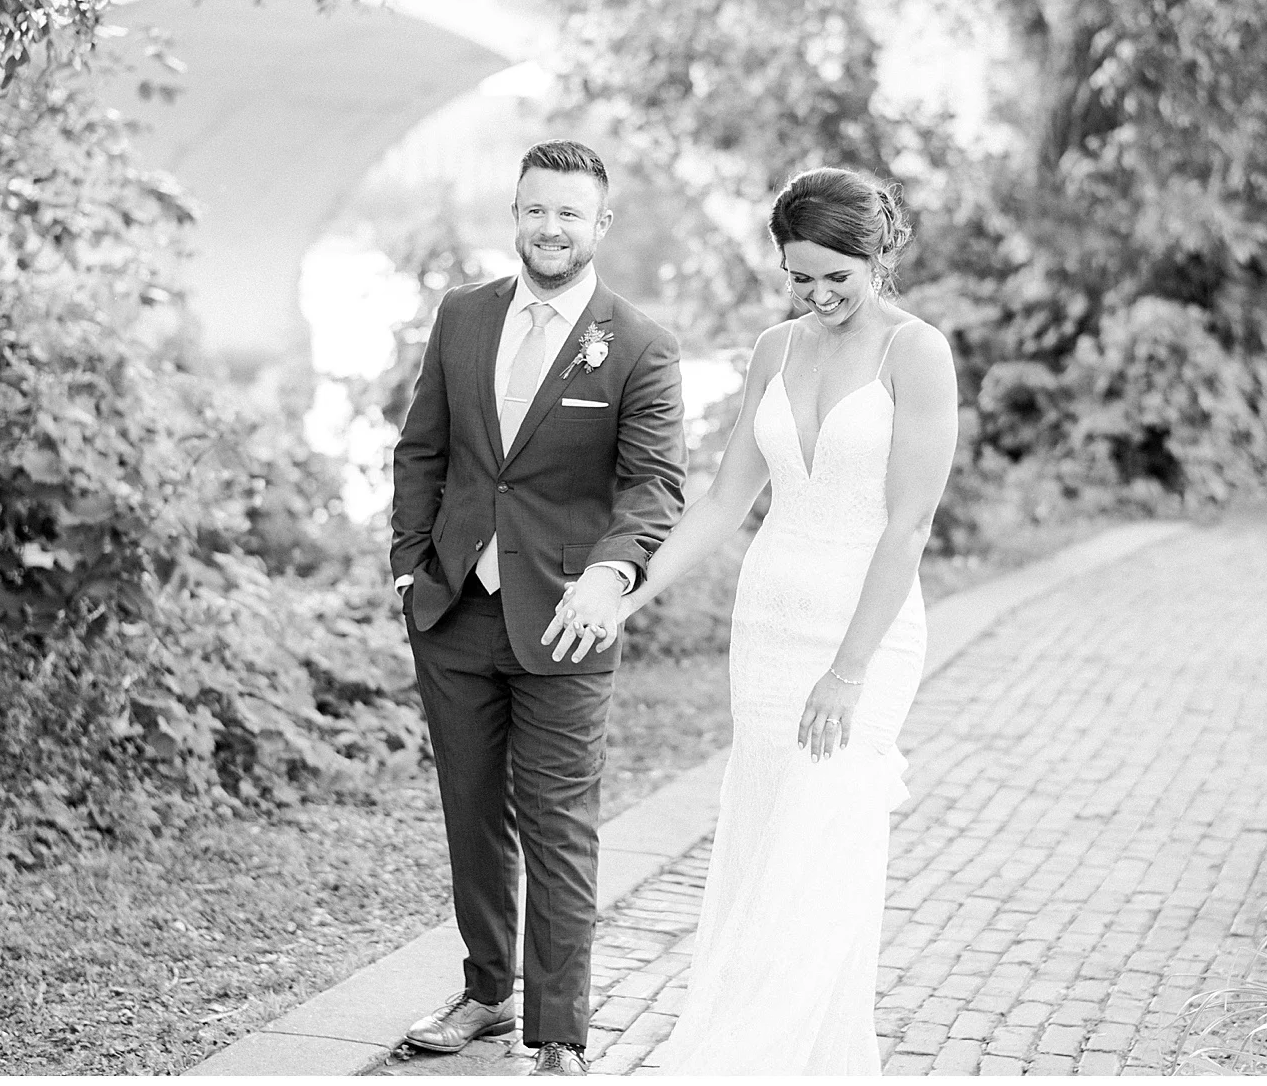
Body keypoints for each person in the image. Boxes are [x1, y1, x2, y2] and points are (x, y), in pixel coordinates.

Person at [544, 166, 959, 1074]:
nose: (818, 295)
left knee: (824, 848)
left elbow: (909, 525)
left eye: (836, 276)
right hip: (768, 628)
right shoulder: (774, 348)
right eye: (799, 276)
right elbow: (724, 501)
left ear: (879, 254)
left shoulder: (916, 352)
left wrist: (847, 670)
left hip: (864, 632)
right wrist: (626, 593)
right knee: (766, 836)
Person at [390, 140, 688, 1077]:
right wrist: (408, 568)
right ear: (515, 214)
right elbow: (422, 448)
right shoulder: (463, 315)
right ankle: (485, 994)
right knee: (470, 809)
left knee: (558, 824)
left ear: (600, 224)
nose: (550, 227)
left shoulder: (639, 344)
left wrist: (612, 576)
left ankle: (558, 1032)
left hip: (567, 617)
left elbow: (654, 486)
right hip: (453, 609)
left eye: (569, 213)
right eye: (535, 209)